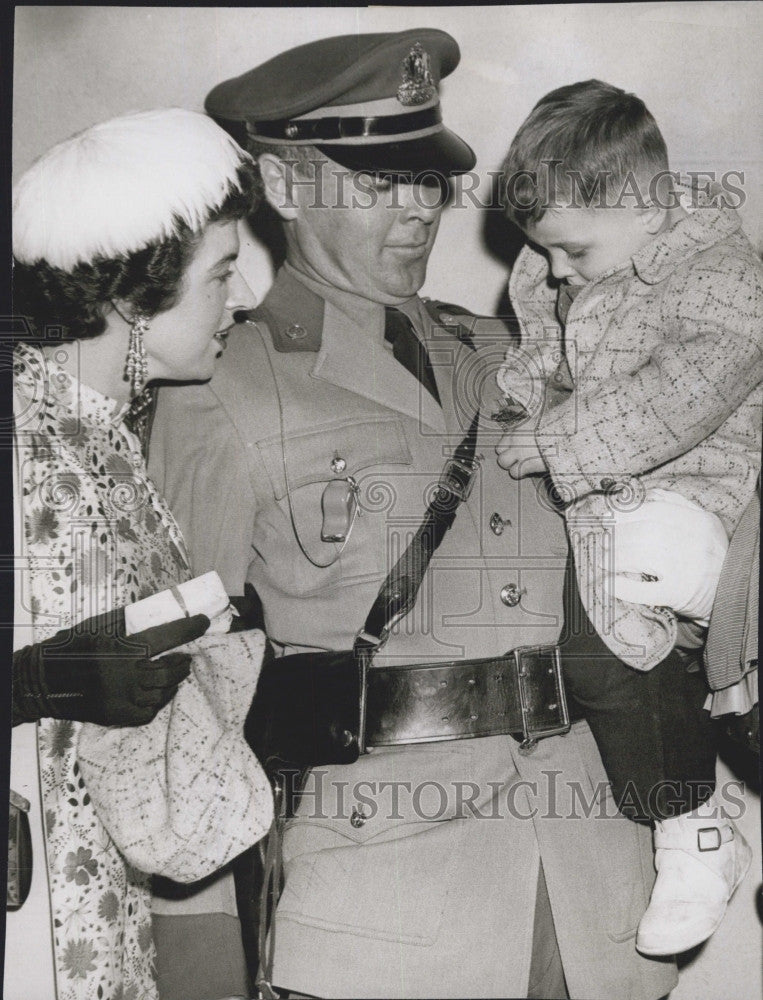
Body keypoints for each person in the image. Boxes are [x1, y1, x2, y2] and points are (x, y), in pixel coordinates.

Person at [149, 31, 677, 1000]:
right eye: (375, 182)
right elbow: (173, 700)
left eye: (426, 182)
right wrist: (196, 957)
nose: (415, 212)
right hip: (381, 905)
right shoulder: (219, 387)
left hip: (597, 882)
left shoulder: (512, 352)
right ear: (283, 182)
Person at [9, 108, 273, 1000]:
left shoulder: (109, 436)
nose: (241, 299)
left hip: (102, 912)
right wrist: (25, 683)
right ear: (133, 296)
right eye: (223, 272)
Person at [494, 80, 762, 955]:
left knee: (613, 634)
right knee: (593, 652)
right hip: (606, 494)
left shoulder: (722, 273)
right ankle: (692, 809)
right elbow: (536, 358)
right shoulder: (549, 266)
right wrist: (512, 403)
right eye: (546, 255)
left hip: (698, 495)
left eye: (572, 251)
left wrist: (560, 439)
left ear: (644, 207)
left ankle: (693, 839)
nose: (556, 271)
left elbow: (682, 395)